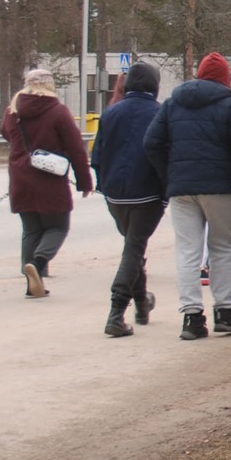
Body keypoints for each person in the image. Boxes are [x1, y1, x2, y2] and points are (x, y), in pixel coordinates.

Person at [143, 51, 231, 339]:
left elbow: (152, 141)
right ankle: (225, 313)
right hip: (221, 188)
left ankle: (192, 318)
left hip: (182, 188)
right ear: (225, 79)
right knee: (223, 248)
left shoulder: (173, 103)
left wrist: (169, 175)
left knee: (187, 251)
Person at [89, 60, 165, 336]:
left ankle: (142, 302)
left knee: (134, 247)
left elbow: (97, 155)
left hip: (115, 194)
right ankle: (116, 312)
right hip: (148, 193)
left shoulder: (111, 113)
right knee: (134, 249)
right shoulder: (159, 112)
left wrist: (104, 186)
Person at [2, 68, 92, 298]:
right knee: (58, 227)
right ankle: (38, 262)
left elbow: (5, 133)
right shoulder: (58, 111)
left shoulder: (13, 110)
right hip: (49, 179)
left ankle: (32, 285)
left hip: (20, 177)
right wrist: (84, 181)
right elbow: (76, 149)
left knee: (31, 230)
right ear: (50, 85)